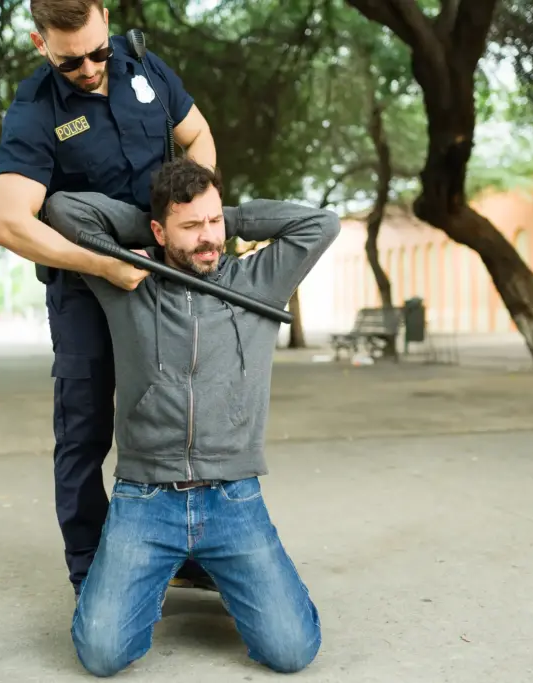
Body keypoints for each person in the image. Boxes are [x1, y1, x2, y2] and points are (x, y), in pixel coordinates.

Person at [42, 158, 340, 676]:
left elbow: (322, 224)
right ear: (159, 230)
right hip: (145, 498)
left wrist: (231, 217)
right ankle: (165, 571)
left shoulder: (259, 279)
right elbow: (62, 208)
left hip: (233, 496)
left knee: (292, 651)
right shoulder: (127, 280)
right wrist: (139, 242)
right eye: (190, 226)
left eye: (213, 223)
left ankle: (223, 574)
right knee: (101, 655)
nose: (208, 238)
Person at [0, 0, 219, 597]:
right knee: (86, 429)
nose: (91, 68)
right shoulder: (35, 107)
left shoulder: (146, 68)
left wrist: (187, 221)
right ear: (40, 42)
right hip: (85, 290)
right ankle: (90, 569)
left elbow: (196, 135)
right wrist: (106, 265)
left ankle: (182, 549)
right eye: (71, 62)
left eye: (98, 51)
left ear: (107, 20)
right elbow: (11, 223)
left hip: (160, 281)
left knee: (170, 418)